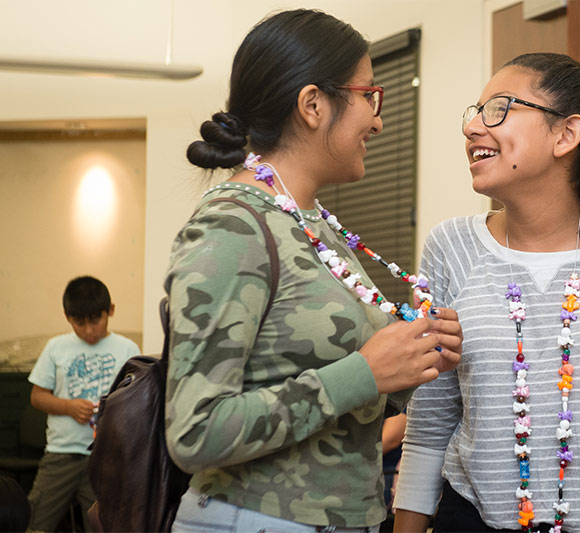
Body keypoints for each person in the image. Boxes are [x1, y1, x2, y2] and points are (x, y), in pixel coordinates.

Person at [164, 8, 462, 533]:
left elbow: (333, 373)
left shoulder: (310, 223)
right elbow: (195, 431)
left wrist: (412, 361)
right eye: (369, 95)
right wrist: (365, 373)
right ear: (312, 104)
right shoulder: (233, 226)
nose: (378, 118)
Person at [393, 53, 580, 533]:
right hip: (469, 517)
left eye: (498, 109)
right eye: (474, 112)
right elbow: (431, 418)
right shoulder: (450, 246)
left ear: (566, 134)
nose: (474, 127)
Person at [27, 275, 140, 531]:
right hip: (61, 454)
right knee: (34, 521)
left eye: (95, 321)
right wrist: (68, 407)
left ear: (110, 311)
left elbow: (137, 402)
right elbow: (37, 396)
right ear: (67, 317)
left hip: (106, 457)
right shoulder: (56, 347)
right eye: (79, 322)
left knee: (105, 524)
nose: (89, 330)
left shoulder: (127, 348)